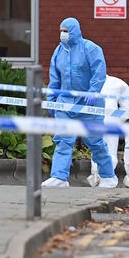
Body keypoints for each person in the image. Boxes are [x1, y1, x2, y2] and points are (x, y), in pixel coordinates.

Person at [42, 17, 118, 188]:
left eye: (66, 31)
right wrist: (52, 100)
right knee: (63, 140)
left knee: (95, 142)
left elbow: (99, 72)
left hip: (89, 105)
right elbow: (55, 78)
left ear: (75, 30)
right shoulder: (59, 51)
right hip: (65, 104)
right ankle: (59, 177)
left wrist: (93, 91)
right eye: (61, 31)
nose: (62, 34)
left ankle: (108, 177)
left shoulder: (91, 49)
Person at [87, 75, 129, 187]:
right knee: (97, 148)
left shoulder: (118, 83)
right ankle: (98, 177)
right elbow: (126, 108)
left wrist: (116, 120)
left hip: (107, 121)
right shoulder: (88, 81)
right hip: (99, 120)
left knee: (105, 149)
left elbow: (126, 107)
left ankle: (106, 177)